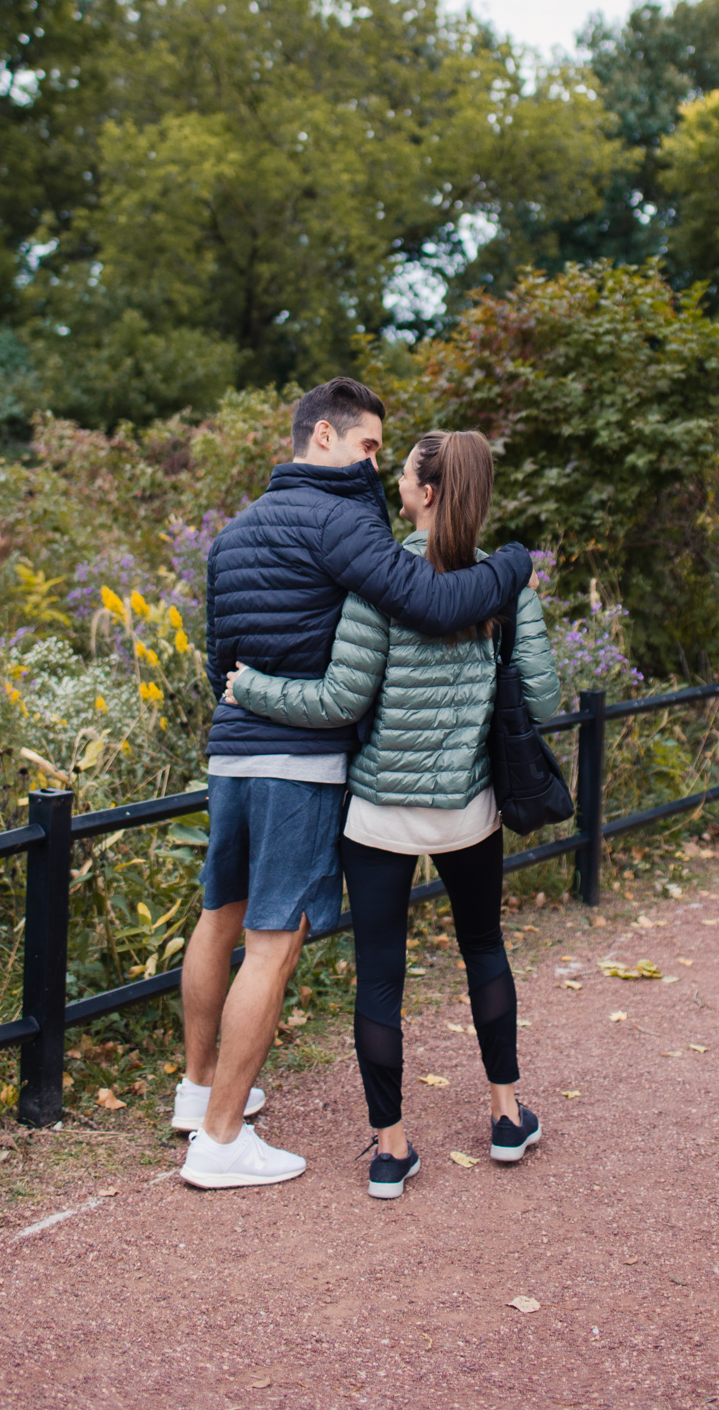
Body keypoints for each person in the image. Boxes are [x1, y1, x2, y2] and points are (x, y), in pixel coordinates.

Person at [175, 379, 534, 1191]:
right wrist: (514, 564)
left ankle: (196, 1097)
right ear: (326, 436)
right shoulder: (344, 520)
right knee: (273, 943)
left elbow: (217, 659)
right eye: (370, 445)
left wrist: (244, 698)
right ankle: (222, 1139)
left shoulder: (233, 534)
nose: (377, 465)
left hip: (231, 751)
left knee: (217, 919)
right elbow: (430, 601)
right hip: (300, 759)